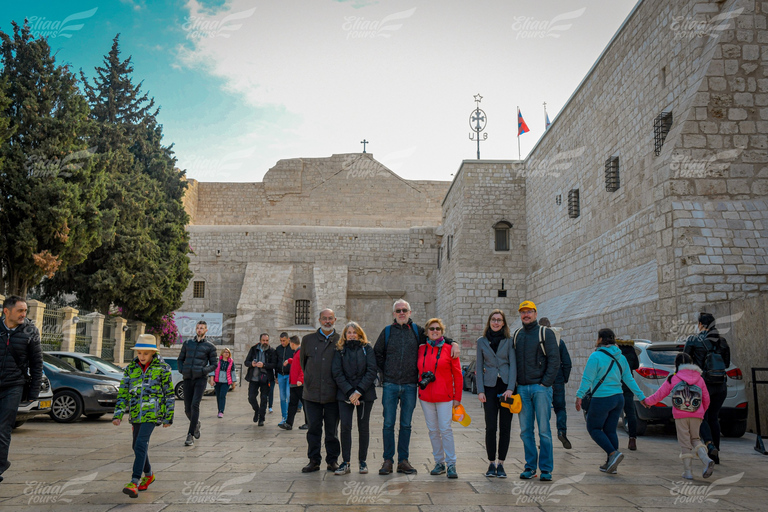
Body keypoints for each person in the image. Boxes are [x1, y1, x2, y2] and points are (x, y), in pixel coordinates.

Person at [373, 299, 460, 476]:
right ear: (394, 314)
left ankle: (403, 461)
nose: (401, 313)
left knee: (406, 425)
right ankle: (388, 460)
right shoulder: (387, 332)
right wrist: (386, 373)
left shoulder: (417, 331)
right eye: (398, 311)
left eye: (404, 310)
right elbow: (377, 354)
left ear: (410, 312)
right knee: (388, 424)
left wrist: (454, 342)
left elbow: (436, 335)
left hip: (410, 385)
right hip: (390, 384)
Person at [575, 328, 646, 475]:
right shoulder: (621, 357)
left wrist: (579, 396)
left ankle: (613, 454)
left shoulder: (595, 356)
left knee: (593, 428)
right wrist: (641, 397)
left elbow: (587, 379)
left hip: (602, 398)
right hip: (618, 398)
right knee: (609, 430)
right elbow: (629, 379)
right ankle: (611, 464)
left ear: (600, 339)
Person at [112, 335, 174, 498]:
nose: (142, 356)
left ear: (153, 353)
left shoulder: (163, 368)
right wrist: (118, 414)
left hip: (153, 414)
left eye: (145, 353)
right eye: (139, 353)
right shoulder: (130, 369)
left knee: (141, 443)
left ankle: (134, 481)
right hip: (135, 413)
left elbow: (169, 393)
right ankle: (149, 474)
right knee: (136, 446)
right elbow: (123, 392)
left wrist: (168, 416)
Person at [642, 353, 714, 479]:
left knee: (685, 443)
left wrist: (647, 402)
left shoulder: (673, 378)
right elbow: (706, 398)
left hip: (680, 415)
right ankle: (706, 460)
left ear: (677, 364)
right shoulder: (700, 378)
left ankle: (688, 472)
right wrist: (701, 411)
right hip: (697, 414)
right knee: (695, 439)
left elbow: (660, 395)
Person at [512, 301, 560, 481]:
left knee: (544, 430)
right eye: (523, 312)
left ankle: (546, 469)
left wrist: (545, 384)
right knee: (525, 431)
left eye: (529, 312)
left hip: (540, 389)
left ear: (535, 313)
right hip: (522, 389)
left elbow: (555, 360)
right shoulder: (517, 335)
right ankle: (530, 467)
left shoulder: (545, 333)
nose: (526, 315)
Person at [0, 296, 43, 484]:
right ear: (6, 311)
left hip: (14, 386)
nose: (24, 315)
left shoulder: (30, 331)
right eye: (20, 311)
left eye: (25, 311)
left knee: (3, 427)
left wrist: (34, 392)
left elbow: (36, 363)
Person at [331, 321, 378, 475]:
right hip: (345, 395)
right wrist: (350, 392)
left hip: (364, 395)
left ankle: (362, 461)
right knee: (345, 427)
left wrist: (358, 391)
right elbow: (337, 372)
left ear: (359, 334)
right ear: (345, 335)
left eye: (354, 332)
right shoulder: (340, 350)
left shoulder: (367, 349)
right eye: (349, 332)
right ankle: (346, 461)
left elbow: (371, 371)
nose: (351, 335)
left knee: (363, 428)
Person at [684, 312, 730, 464]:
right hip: (721, 386)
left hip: (702, 385)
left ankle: (709, 445)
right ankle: (715, 454)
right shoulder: (722, 341)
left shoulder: (693, 340)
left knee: (700, 416)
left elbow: (685, 363)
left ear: (701, 325)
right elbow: (727, 364)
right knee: (714, 417)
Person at [419, 318, 463, 479]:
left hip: (445, 396)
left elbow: (458, 375)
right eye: (432, 328)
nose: (435, 331)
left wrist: (457, 397)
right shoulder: (421, 349)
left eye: (438, 329)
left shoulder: (450, 349)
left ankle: (451, 463)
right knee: (433, 431)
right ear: (427, 331)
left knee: (445, 429)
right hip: (426, 397)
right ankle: (439, 462)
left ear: (442, 331)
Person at [476, 309, 516, 478]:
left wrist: (511, 388)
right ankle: (491, 463)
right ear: (489, 322)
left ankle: (501, 464)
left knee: (505, 427)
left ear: (504, 323)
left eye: (499, 320)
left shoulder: (509, 340)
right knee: (491, 426)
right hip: (490, 387)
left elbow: (513, 365)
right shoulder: (481, 341)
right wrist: (480, 390)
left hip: (506, 387)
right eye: (493, 319)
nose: (496, 322)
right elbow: (479, 366)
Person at [300, 309, 341, 473]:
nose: (327, 321)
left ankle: (332, 461)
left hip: (332, 395)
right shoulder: (307, 340)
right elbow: (304, 364)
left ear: (335, 320)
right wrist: (310, 380)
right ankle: (314, 460)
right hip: (312, 394)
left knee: (332, 431)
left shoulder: (340, 340)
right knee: (314, 429)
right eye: (324, 319)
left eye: (330, 318)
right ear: (319, 320)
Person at [177, 320, 217, 446]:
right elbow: (180, 359)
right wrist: (182, 370)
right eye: (198, 328)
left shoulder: (210, 347)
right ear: (195, 329)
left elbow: (214, 364)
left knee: (195, 405)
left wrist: (203, 371)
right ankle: (196, 424)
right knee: (187, 409)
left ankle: (190, 435)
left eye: (202, 328)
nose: (199, 330)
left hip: (200, 379)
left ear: (206, 330)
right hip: (188, 378)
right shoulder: (188, 343)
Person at [539, 317, 572, 450]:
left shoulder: (538, 341)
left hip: (543, 380)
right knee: (560, 408)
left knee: (544, 411)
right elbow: (567, 363)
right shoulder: (560, 342)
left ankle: (544, 440)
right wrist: (564, 378)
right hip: (557, 379)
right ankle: (561, 431)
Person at [244, 333, 277, 426]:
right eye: (263, 340)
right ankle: (257, 410)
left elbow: (274, 364)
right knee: (251, 397)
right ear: (260, 340)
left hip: (265, 379)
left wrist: (264, 365)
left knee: (264, 399)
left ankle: (261, 418)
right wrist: (252, 364)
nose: (265, 342)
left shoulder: (272, 351)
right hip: (254, 378)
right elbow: (246, 362)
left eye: (267, 340)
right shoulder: (253, 349)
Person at [617, 338, 640, 451]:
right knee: (630, 413)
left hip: (616, 386)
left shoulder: (616, 353)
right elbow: (636, 366)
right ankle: (632, 439)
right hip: (628, 386)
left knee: (612, 413)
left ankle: (610, 438)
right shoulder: (631, 352)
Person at [282, 335, 308, 430]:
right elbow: (297, 363)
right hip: (294, 384)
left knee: (305, 403)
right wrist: (289, 361)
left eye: (290, 345)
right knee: (292, 404)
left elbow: (303, 366)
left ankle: (308, 423)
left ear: (292, 344)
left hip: (298, 384)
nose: (290, 347)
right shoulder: (297, 353)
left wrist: (300, 379)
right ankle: (289, 424)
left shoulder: (301, 352)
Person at [275, 332, 294, 427]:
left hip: (289, 376)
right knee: (282, 398)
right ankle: (284, 418)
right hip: (280, 375)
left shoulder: (292, 349)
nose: (282, 342)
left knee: (288, 396)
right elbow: (276, 362)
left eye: (284, 341)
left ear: (288, 339)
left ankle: (289, 419)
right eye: (281, 341)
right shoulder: (278, 349)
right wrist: (276, 376)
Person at [211, 348, 236, 418]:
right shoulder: (218, 360)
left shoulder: (231, 362)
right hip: (217, 381)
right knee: (218, 396)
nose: (226, 353)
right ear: (222, 353)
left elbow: (233, 372)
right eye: (225, 352)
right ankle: (219, 410)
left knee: (222, 395)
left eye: (228, 352)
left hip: (226, 381)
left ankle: (221, 411)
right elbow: (212, 369)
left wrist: (234, 382)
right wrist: (212, 379)